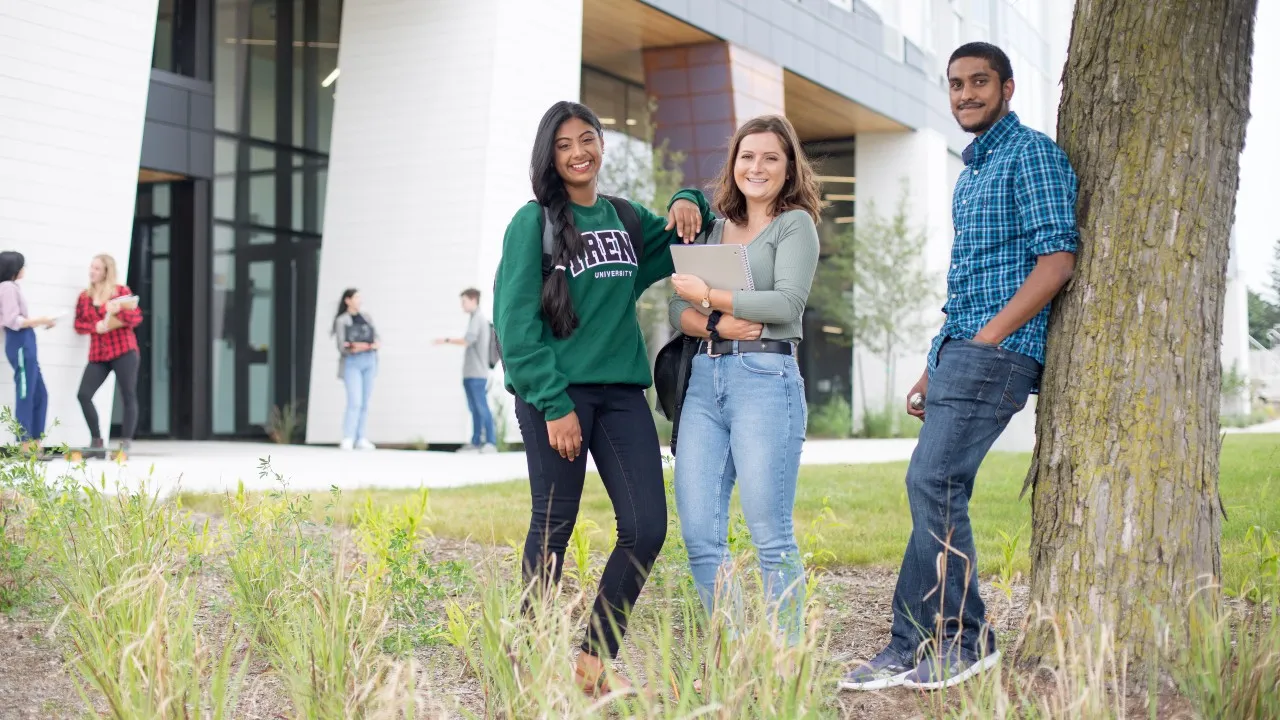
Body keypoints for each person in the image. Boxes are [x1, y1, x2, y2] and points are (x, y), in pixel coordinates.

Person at [841, 42, 1078, 692]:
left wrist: (985, 341)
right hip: (962, 351)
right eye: (956, 84)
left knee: (932, 484)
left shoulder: (1030, 155)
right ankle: (907, 643)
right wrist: (933, 363)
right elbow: (970, 282)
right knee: (934, 490)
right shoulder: (973, 173)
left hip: (999, 353)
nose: (965, 94)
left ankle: (967, 639)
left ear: (1006, 87)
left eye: (979, 82)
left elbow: (1056, 261)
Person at [493, 100, 712, 695]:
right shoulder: (531, 222)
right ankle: (529, 661)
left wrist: (690, 197)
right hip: (558, 396)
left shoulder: (624, 217)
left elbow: (688, 233)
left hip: (621, 395)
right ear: (550, 155)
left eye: (587, 139)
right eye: (564, 144)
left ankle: (592, 662)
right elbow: (514, 326)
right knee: (553, 525)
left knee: (645, 528)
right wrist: (553, 403)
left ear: (601, 145)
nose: (579, 152)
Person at [668, 115, 822, 646]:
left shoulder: (794, 224)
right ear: (733, 165)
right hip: (705, 380)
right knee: (699, 534)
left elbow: (786, 304)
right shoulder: (715, 228)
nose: (756, 167)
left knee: (770, 535)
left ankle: (786, 656)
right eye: (746, 156)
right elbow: (676, 309)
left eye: (770, 158)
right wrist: (716, 319)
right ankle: (733, 652)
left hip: (765, 376)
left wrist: (710, 297)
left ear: (788, 167)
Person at [74, 254, 143, 459]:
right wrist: (94, 326)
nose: (92, 271)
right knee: (84, 395)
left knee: (128, 394)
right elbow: (78, 325)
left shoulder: (121, 293)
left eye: (96, 268)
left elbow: (136, 317)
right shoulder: (85, 296)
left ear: (106, 271)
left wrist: (117, 312)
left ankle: (125, 445)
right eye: (91, 267)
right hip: (99, 354)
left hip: (123, 350)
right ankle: (97, 442)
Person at [0, 252, 55, 450]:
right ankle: (24, 444)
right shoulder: (7, 288)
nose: (24, 269)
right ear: (14, 269)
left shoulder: (13, 287)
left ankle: (35, 442)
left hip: (27, 340)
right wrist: (41, 320)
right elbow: (12, 321)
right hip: (19, 342)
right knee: (26, 391)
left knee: (40, 393)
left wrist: (42, 323)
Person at [434, 288, 497, 453]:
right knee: (474, 408)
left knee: (481, 407)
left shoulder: (478, 318)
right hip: (470, 373)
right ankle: (476, 442)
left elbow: (467, 341)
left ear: (473, 300)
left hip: (477, 373)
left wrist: (446, 340)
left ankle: (490, 442)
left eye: (464, 301)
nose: (462, 305)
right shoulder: (473, 318)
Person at [332, 288, 379, 451]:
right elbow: (342, 345)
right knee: (355, 401)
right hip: (352, 362)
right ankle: (348, 437)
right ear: (348, 300)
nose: (359, 300)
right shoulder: (342, 320)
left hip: (369, 361)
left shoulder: (366, 317)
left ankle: (361, 437)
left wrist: (370, 345)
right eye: (356, 297)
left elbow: (376, 339)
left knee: (365, 401)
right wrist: (359, 346)